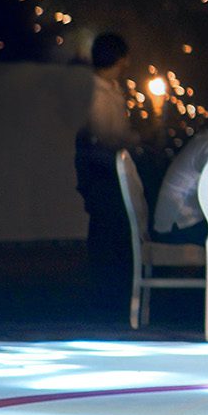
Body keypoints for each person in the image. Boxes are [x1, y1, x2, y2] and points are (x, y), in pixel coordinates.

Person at [74, 33, 137, 297]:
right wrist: (136, 139)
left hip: (112, 167)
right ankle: (104, 287)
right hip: (100, 169)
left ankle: (115, 284)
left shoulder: (112, 88)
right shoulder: (95, 91)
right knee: (104, 226)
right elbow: (104, 133)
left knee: (115, 226)